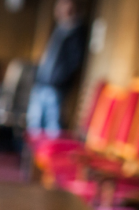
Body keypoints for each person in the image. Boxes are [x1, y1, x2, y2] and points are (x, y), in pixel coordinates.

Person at [27, 0, 89, 138]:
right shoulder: (58, 29)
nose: (61, 9)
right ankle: (32, 159)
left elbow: (74, 61)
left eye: (65, 6)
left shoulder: (77, 31)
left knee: (52, 128)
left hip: (56, 87)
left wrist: (59, 80)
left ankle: (47, 157)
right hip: (41, 83)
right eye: (59, 6)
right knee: (34, 126)